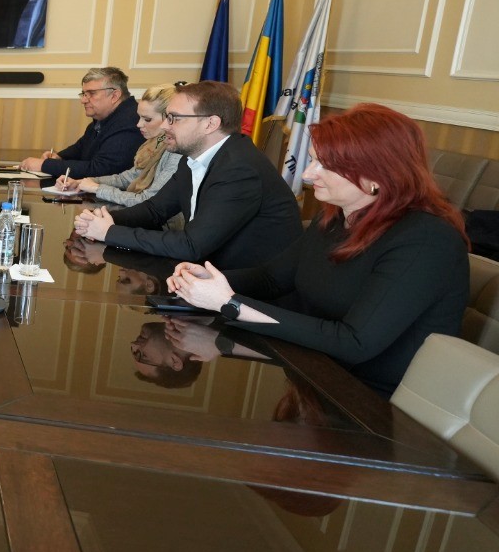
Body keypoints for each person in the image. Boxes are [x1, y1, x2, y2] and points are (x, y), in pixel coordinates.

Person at [167, 103, 469, 396]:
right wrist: (205, 281)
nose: (308, 175)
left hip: (372, 402)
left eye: (325, 165)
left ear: (375, 176)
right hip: (311, 369)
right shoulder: (336, 217)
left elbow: (353, 343)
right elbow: (272, 278)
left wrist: (229, 303)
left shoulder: (427, 240)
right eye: (312, 160)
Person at [71, 80, 301, 269]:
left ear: (210, 124)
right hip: (209, 276)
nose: (164, 126)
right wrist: (103, 219)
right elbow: (155, 210)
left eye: (174, 118)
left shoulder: (239, 169)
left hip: (251, 289)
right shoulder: (192, 158)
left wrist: (110, 232)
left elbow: (191, 245)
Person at [52, 81, 181, 207]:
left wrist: (97, 188)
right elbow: (127, 178)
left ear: (169, 119)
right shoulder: (154, 142)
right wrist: (83, 182)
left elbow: (148, 201)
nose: (138, 124)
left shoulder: (176, 153)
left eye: (147, 119)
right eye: (140, 117)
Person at [19, 67, 146, 182]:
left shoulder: (130, 121)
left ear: (114, 96)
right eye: (84, 94)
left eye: (91, 94)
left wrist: (44, 165)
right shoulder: (105, 118)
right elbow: (81, 148)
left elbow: (101, 170)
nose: (83, 100)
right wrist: (59, 157)